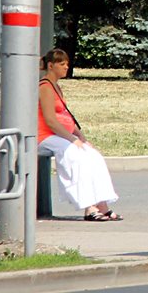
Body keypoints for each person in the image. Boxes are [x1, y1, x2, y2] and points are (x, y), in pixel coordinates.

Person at [37, 48, 121, 222]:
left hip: (62, 135)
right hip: (45, 136)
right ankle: (88, 207)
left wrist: (81, 138)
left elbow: (66, 117)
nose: (66, 67)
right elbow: (51, 121)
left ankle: (102, 204)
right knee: (74, 156)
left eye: (67, 64)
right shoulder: (45, 87)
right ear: (51, 66)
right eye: (62, 64)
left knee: (94, 156)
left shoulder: (57, 87)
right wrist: (72, 139)